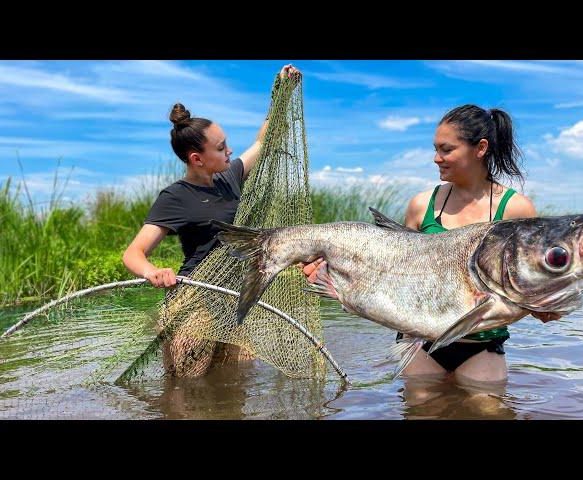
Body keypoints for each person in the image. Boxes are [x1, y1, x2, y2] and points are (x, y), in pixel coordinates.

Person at [301, 104, 560, 384]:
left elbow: (534, 292)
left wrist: (547, 303)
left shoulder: (516, 210)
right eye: (435, 149)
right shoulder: (421, 205)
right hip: (418, 344)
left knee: (489, 410)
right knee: (422, 409)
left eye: (446, 149)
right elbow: (393, 276)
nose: (436, 158)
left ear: (480, 148)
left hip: (482, 344)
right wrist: (332, 276)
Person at [122, 64, 301, 375]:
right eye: (221, 148)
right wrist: (153, 272)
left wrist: (282, 95)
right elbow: (133, 254)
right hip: (193, 304)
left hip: (232, 301)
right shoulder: (175, 197)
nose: (230, 151)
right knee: (183, 393)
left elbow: (263, 142)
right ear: (197, 158)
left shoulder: (230, 178)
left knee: (234, 389)